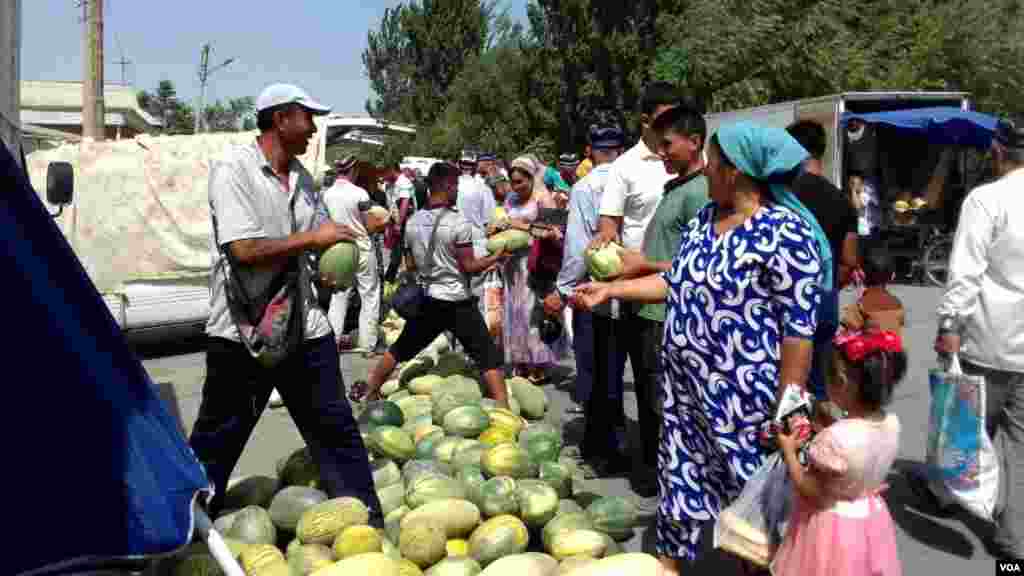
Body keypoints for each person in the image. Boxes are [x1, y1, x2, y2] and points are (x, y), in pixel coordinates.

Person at [574, 122, 828, 574]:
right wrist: (611, 291)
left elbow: (798, 331)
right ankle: (668, 565)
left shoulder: (788, 234)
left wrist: (789, 407)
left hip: (745, 405)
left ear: (736, 171)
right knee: (680, 482)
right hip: (685, 395)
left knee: (752, 505)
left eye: (713, 161)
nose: (705, 168)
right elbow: (676, 281)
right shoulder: (704, 221)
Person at [190, 83, 382, 522]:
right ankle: (182, 533)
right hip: (244, 329)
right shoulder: (233, 170)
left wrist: (329, 265)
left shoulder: (303, 179)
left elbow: (312, 245)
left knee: (336, 430)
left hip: (305, 325)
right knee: (217, 439)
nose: (314, 128)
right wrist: (313, 238)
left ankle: (367, 523)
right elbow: (242, 249)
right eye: (307, 117)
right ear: (280, 119)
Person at [922, 116, 1024, 561]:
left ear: (999, 151)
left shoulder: (987, 200)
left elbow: (965, 273)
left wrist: (949, 327)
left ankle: (947, 495)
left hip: (988, 342)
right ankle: (1014, 549)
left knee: (963, 428)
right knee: (1019, 454)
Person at [613, 101, 710, 499]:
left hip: (664, 312)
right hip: (647, 308)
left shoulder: (699, 192)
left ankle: (669, 478)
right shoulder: (678, 188)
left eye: (667, 145)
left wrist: (642, 264)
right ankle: (660, 470)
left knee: (659, 400)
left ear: (694, 142)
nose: (662, 153)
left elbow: (701, 263)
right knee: (651, 395)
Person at [587, 81, 679, 495]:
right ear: (645, 121)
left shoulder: (687, 161)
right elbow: (608, 228)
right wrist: (601, 248)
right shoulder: (626, 167)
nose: (671, 127)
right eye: (664, 118)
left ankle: (680, 466)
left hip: (686, 286)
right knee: (647, 381)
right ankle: (652, 468)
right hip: (639, 290)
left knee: (677, 385)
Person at [363, 162, 510, 406]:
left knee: (402, 348)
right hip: (457, 300)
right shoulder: (458, 223)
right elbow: (468, 267)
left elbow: (410, 265)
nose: (457, 192)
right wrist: (495, 258)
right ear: (448, 186)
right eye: (455, 187)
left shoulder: (413, 222)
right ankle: (504, 407)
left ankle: (370, 390)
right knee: (487, 355)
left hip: (429, 298)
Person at [772, 329, 906, 576]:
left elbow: (809, 489)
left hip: (831, 528)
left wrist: (789, 451)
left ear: (841, 383)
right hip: (869, 520)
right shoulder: (891, 424)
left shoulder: (833, 441)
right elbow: (859, 443)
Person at [545, 126, 628, 418]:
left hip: (596, 292)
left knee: (593, 365)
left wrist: (563, 290)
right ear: (620, 150)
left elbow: (580, 247)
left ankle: (600, 435)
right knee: (625, 366)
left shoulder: (585, 187)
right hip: (639, 287)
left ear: (590, 151)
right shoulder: (637, 180)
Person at [786, 120, 859, 401]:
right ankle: (818, 441)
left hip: (788, 305)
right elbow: (849, 259)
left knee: (789, 388)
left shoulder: (784, 195)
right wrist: (828, 288)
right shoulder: (841, 200)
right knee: (819, 389)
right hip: (825, 303)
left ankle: (791, 442)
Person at [492, 156, 568, 384]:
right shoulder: (511, 199)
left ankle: (539, 363)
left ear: (531, 178)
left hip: (535, 264)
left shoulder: (544, 199)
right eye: (513, 182)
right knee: (514, 312)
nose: (516, 187)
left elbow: (554, 232)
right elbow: (503, 222)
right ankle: (521, 361)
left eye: (520, 182)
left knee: (532, 313)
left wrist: (518, 226)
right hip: (512, 264)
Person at [325, 157, 388, 355]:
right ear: (352, 170)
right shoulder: (359, 193)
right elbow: (370, 226)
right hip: (361, 249)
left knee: (339, 296)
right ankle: (368, 344)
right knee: (369, 295)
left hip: (339, 251)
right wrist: (386, 221)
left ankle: (332, 341)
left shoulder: (327, 194)